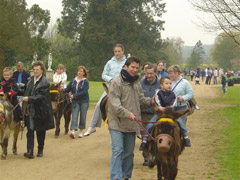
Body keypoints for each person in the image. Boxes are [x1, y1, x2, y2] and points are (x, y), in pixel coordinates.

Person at [108, 56, 151, 180]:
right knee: (117, 150)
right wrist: (128, 114)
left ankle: (126, 175)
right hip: (117, 123)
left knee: (128, 154)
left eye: (137, 68)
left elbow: (141, 99)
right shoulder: (116, 82)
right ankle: (116, 177)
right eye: (132, 67)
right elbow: (115, 105)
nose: (134, 70)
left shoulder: (136, 82)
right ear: (125, 66)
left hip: (131, 125)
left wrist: (152, 100)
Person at [84, 43, 126, 136]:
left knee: (131, 105)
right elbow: (104, 74)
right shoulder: (109, 62)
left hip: (123, 89)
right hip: (110, 89)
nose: (117, 53)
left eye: (119, 51)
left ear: (123, 51)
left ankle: (138, 131)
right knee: (99, 104)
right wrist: (110, 79)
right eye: (115, 51)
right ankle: (92, 126)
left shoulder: (127, 63)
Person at [22, 61, 55, 159]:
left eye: (37, 69)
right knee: (30, 130)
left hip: (41, 110)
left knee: (40, 131)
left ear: (42, 70)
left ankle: (40, 149)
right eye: (34, 69)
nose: (35, 71)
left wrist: (29, 99)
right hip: (30, 109)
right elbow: (26, 91)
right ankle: (30, 151)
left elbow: (41, 97)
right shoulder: (29, 79)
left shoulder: (45, 82)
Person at [139, 76, 176, 151]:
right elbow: (157, 99)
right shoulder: (158, 92)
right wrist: (159, 106)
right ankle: (145, 138)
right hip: (160, 113)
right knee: (150, 124)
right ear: (161, 85)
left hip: (170, 113)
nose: (169, 85)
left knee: (180, 122)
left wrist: (172, 106)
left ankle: (184, 136)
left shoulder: (173, 93)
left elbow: (174, 101)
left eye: (170, 83)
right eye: (167, 83)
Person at [168, 65, 194, 147]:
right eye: (169, 73)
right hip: (170, 108)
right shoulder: (168, 82)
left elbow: (191, 94)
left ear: (177, 73)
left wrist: (183, 98)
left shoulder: (185, 83)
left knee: (180, 123)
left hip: (181, 107)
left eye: (171, 73)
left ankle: (185, 137)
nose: (169, 75)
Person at [139, 64, 160, 166]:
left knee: (155, 135)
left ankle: (154, 155)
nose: (149, 76)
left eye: (151, 73)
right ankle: (147, 157)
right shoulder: (140, 83)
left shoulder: (161, 83)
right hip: (143, 113)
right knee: (145, 136)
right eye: (147, 73)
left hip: (156, 114)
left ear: (155, 73)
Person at [63, 66, 89, 139]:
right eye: (78, 71)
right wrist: (61, 90)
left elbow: (84, 92)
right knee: (74, 115)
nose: (79, 72)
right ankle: (73, 131)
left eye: (81, 71)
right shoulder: (73, 81)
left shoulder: (85, 81)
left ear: (84, 73)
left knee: (83, 116)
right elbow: (67, 89)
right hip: (75, 101)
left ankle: (80, 131)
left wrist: (74, 95)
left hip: (84, 101)